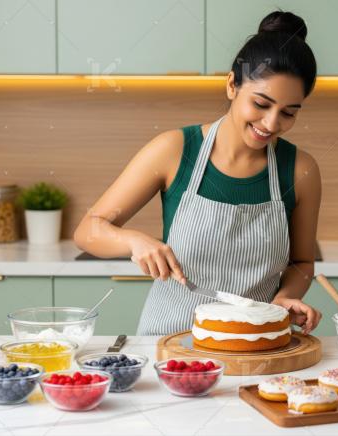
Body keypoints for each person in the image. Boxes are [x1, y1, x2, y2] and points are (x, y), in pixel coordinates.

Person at [74, 11, 323, 336]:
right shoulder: (174, 150)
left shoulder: (301, 169)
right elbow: (88, 231)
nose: (272, 124)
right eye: (261, 104)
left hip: (254, 345)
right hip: (169, 344)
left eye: (289, 112)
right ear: (232, 85)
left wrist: (287, 296)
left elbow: (301, 263)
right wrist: (133, 240)